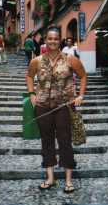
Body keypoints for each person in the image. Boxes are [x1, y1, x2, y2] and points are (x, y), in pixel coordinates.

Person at [26, 26, 87, 193]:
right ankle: (50, 178)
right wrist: (32, 94)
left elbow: (83, 75)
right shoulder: (36, 61)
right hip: (42, 106)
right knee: (46, 141)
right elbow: (30, 76)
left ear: (59, 40)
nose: (52, 41)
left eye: (55, 38)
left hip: (64, 106)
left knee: (65, 141)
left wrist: (80, 95)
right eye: (49, 38)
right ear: (46, 40)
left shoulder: (70, 59)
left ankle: (68, 180)